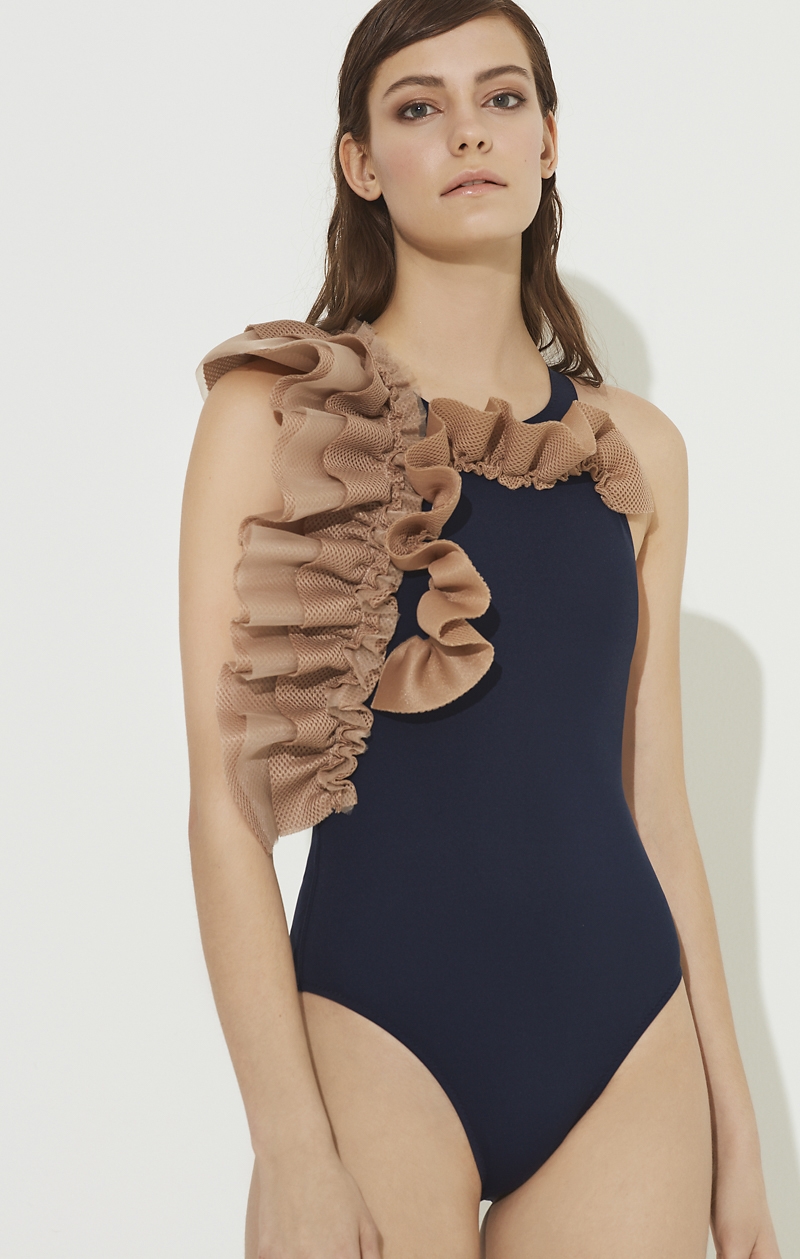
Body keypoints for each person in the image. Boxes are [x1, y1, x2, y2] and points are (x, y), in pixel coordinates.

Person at [179, 2, 782, 1255]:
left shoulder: (636, 451)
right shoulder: (272, 413)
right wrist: (287, 1145)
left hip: (627, 1044)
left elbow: (659, 806)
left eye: (501, 98)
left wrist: (740, 1136)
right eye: (419, 107)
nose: (468, 132)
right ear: (360, 162)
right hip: (374, 1029)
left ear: (546, 139)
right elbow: (224, 809)